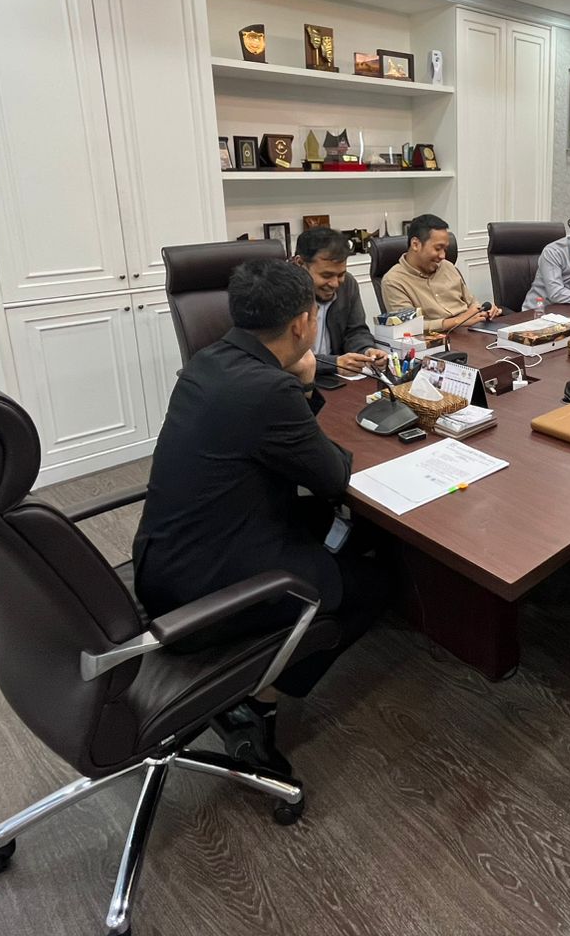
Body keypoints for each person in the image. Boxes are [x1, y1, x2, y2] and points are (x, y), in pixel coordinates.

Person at [133, 259, 391, 769]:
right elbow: (333, 475)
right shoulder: (270, 389)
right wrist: (307, 382)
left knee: (348, 529)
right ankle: (257, 702)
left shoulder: (207, 360)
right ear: (302, 323)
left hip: (164, 560)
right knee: (377, 583)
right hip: (206, 594)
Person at [380, 213, 503, 332]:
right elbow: (409, 326)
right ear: (415, 244)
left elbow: (472, 303)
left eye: (445, 249)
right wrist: (458, 321)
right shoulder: (394, 281)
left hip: (472, 331)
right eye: (438, 248)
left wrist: (484, 311)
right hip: (437, 340)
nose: (443, 256)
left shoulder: (447, 267)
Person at [293, 225, 388, 378]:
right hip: (294, 379)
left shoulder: (348, 284)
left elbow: (355, 331)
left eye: (340, 274)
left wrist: (366, 351)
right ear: (300, 264)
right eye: (326, 275)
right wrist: (333, 363)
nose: (335, 283)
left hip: (336, 378)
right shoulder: (281, 292)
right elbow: (281, 356)